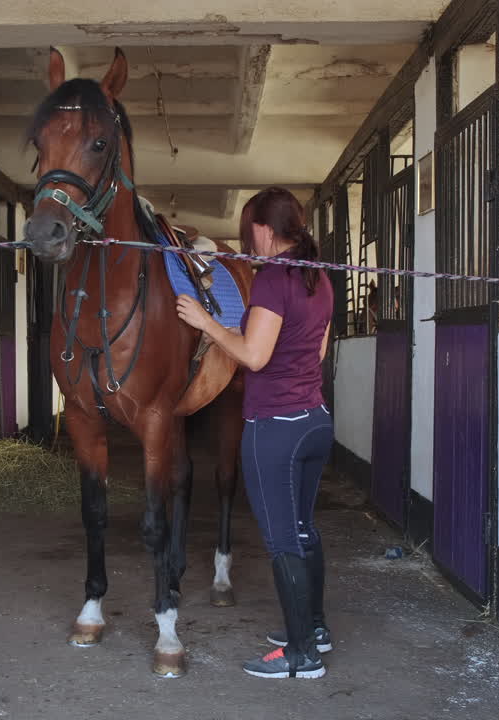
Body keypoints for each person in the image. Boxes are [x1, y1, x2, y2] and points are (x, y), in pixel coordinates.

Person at [176, 187, 334, 679]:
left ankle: (301, 655)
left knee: (282, 540)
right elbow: (320, 352)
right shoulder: (319, 278)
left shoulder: (273, 280)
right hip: (314, 421)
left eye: (250, 233)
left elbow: (254, 355)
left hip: (275, 430)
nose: (251, 242)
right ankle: (314, 630)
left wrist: (207, 323)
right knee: (304, 530)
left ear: (265, 230)